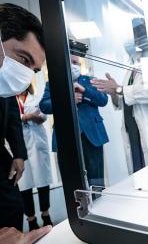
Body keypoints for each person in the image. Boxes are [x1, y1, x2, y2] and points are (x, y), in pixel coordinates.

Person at [0, 3, 46, 232]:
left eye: (33, 70)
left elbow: (12, 118)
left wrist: (18, 154)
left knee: (11, 207)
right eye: (23, 59)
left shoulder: (4, 85)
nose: (25, 76)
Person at [39, 55, 109, 186]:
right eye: (70, 62)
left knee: (96, 180)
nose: (73, 65)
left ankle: (98, 202)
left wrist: (85, 91)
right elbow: (44, 105)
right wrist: (67, 100)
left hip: (92, 135)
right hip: (66, 136)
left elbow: (103, 100)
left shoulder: (91, 81)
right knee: (72, 181)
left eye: (76, 62)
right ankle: (77, 206)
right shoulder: (53, 83)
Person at [91, 71, 148, 174]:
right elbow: (124, 101)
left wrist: (118, 89)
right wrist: (114, 93)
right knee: (139, 176)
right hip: (133, 134)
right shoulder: (130, 71)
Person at [16, 84, 53, 231]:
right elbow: (8, 119)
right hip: (19, 143)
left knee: (43, 180)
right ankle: (31, 219)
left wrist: (28, 118)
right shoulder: (8, 98)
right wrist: (26, 117)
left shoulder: (36, 98)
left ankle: (46, 215)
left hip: (37, 142)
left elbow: (43, 115)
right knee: (24, 184)